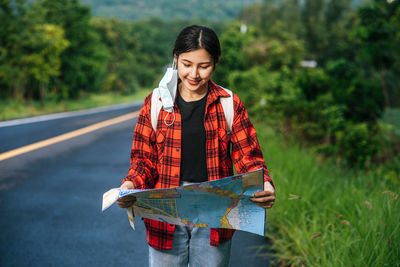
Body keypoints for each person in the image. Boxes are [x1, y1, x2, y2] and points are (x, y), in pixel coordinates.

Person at [117, 25, 275, 267]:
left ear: (215, 63)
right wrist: (130, 186)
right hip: (166, 208)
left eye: (204, 66)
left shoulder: (228, 104)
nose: (194, 74)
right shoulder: (155, 103)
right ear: (176, 59)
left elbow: (248, 155)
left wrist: (263, 183)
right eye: (187, 64)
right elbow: (143, 160)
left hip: (215, 208)